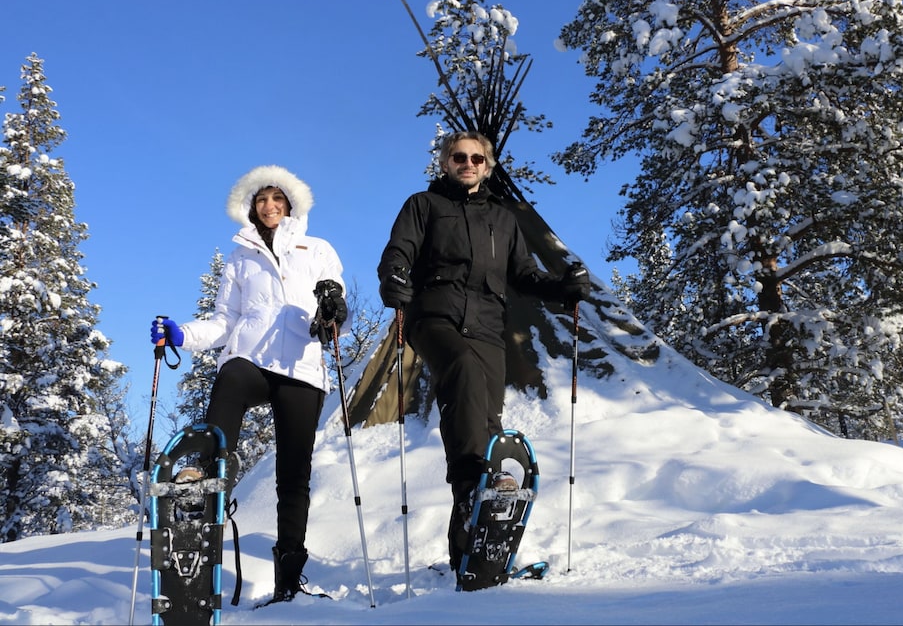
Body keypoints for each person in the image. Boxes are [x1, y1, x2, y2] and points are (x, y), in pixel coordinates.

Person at [377, 131, 590, 579]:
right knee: (463, 370)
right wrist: (394, 275)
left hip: (488, 327)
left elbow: (524, 274)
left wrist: (563, 287)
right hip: (435, 316)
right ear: (445, 163)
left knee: (483, 421)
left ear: (488, 167)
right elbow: (399, 250)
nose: (468, 163)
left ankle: (472, 545)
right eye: (459, 157)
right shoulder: (424, 205)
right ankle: (483, 485)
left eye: (477, 158)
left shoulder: (503, 218)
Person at [149, 165, 349, 605]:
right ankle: (205, 479)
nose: (269, 206)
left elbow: (337, 308)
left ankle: (289, 579)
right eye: (261, 200)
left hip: (301, 367)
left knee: (293, 476)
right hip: (252, 358)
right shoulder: (241, 257)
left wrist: (333, 311)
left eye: (277, 199)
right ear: (251, 207)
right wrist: (182, 333)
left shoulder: (317, 249)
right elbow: (225, 321)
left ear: (291, 205)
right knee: (231, 376)